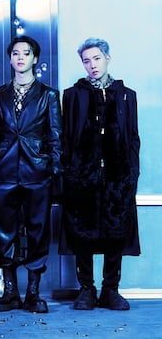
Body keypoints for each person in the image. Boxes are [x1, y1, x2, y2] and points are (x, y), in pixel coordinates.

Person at [60, 38, 140, 311]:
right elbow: (66, 137)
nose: (92, 65)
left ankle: (111, 289)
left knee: (116, 231)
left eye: (96, 58)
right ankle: (86, 289)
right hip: (82, 175)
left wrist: (131, 173)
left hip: (118, 176)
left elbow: (133, 136)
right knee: (82, 232)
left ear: (107, 58)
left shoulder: (126, 95)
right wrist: (70, 171)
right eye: (86, 61)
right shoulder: (73, 95)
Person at [0, 35, 62, 313]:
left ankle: (33, 293)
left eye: (26, 53)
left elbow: (56, 135)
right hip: (3, 172)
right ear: (10, 59)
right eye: (15, 53)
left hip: (37, 171)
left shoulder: (49, 95)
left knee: (38, 231)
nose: (20, 58)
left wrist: (52, 167)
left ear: (35, 59)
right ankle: (10, 293)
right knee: (3, 231)